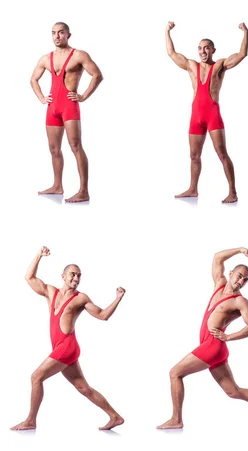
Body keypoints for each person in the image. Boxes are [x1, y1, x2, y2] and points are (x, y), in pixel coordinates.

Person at [157, 247, 248, 429]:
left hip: (213, 346)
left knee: (175, 373)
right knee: (233, 391)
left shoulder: (240, 301)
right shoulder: (219, 284)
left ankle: (176, 419)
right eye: (239, 275)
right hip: (211, 347)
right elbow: (217, 257)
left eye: (245, 280)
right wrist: (241, 250)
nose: (241, 281)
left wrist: (229, 336)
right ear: (231, 273)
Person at [11, 247, 126, 431]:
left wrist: (118, 298)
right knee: (84, 389)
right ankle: (115, 416)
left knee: (36, 377)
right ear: (63, 276)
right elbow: (29, 278)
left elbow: (103, 315)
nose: (76, 279)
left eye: (79, 276)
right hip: (61, 347)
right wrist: (39, 255)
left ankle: (31, 421)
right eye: (73, 275)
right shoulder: (50, 291)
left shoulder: (81, 298)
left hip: (67, 347)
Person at [166, 22, 248, 203]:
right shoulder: (191, 65)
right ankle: (193, 189)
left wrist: (245, 32)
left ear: (213, 50)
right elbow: (171, 53)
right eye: (200, 48)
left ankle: (232, 192)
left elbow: (242, 54)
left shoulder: (219, 65)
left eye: (206, 48)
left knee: (222, 153)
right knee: (194, 156)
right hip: (196, 116)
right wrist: (167, 31)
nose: (202, 51)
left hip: (212, 115)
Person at [31, 22, 103, 203]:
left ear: (68, 35)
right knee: (54, 149)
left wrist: (84, 96)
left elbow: (97, 75)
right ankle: (57, 186)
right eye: (54, 33)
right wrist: (41, 98)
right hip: (52, 108)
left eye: (61, 33)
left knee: (75, 147)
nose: (57, 36)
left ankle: (84, 191)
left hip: (69, 106)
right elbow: (33, 80)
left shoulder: (78, 55)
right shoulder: (46, 58)